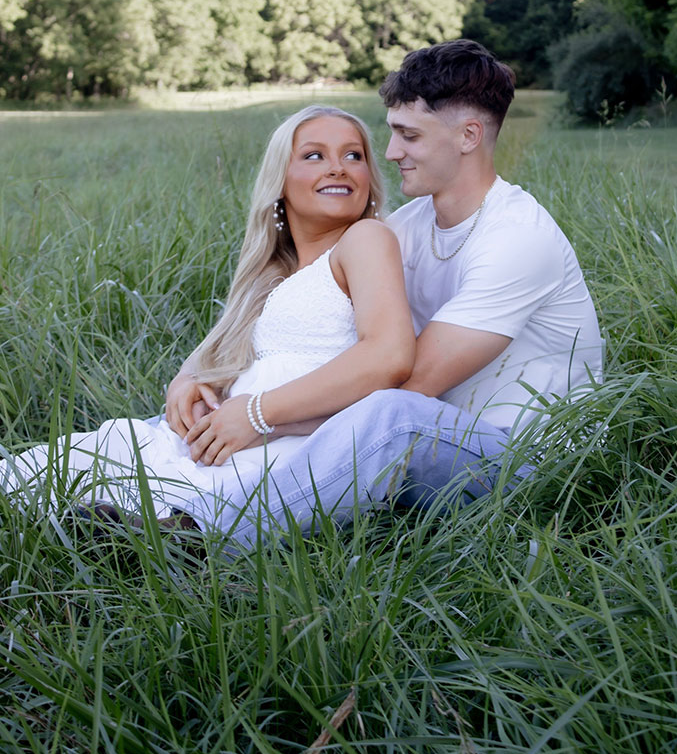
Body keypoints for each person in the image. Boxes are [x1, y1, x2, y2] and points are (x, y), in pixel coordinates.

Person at [180, 39, 604, 547]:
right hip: (437, 437)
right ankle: (158, 499)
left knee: (389, 417)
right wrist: (192, 378)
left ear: (469, 136)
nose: (390, 152)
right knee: (369, 416)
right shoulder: (406, 225)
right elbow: (303, 301)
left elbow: (407, 387)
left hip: (530, 464)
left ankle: (203, 537)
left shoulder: (517, 239)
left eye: (409, 135)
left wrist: (260, 417)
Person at [0, 106, 416, 527]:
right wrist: (188, 381)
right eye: (314, 156)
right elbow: (220, 356)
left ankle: (156, 534)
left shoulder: (365, 238)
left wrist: (257, 414)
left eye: (353, 156)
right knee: (49, 471)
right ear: (280, 183)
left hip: (290, 438)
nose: (338, 169)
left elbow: (389, 355)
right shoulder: (272, 272)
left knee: (182, 504)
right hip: (226, 433)